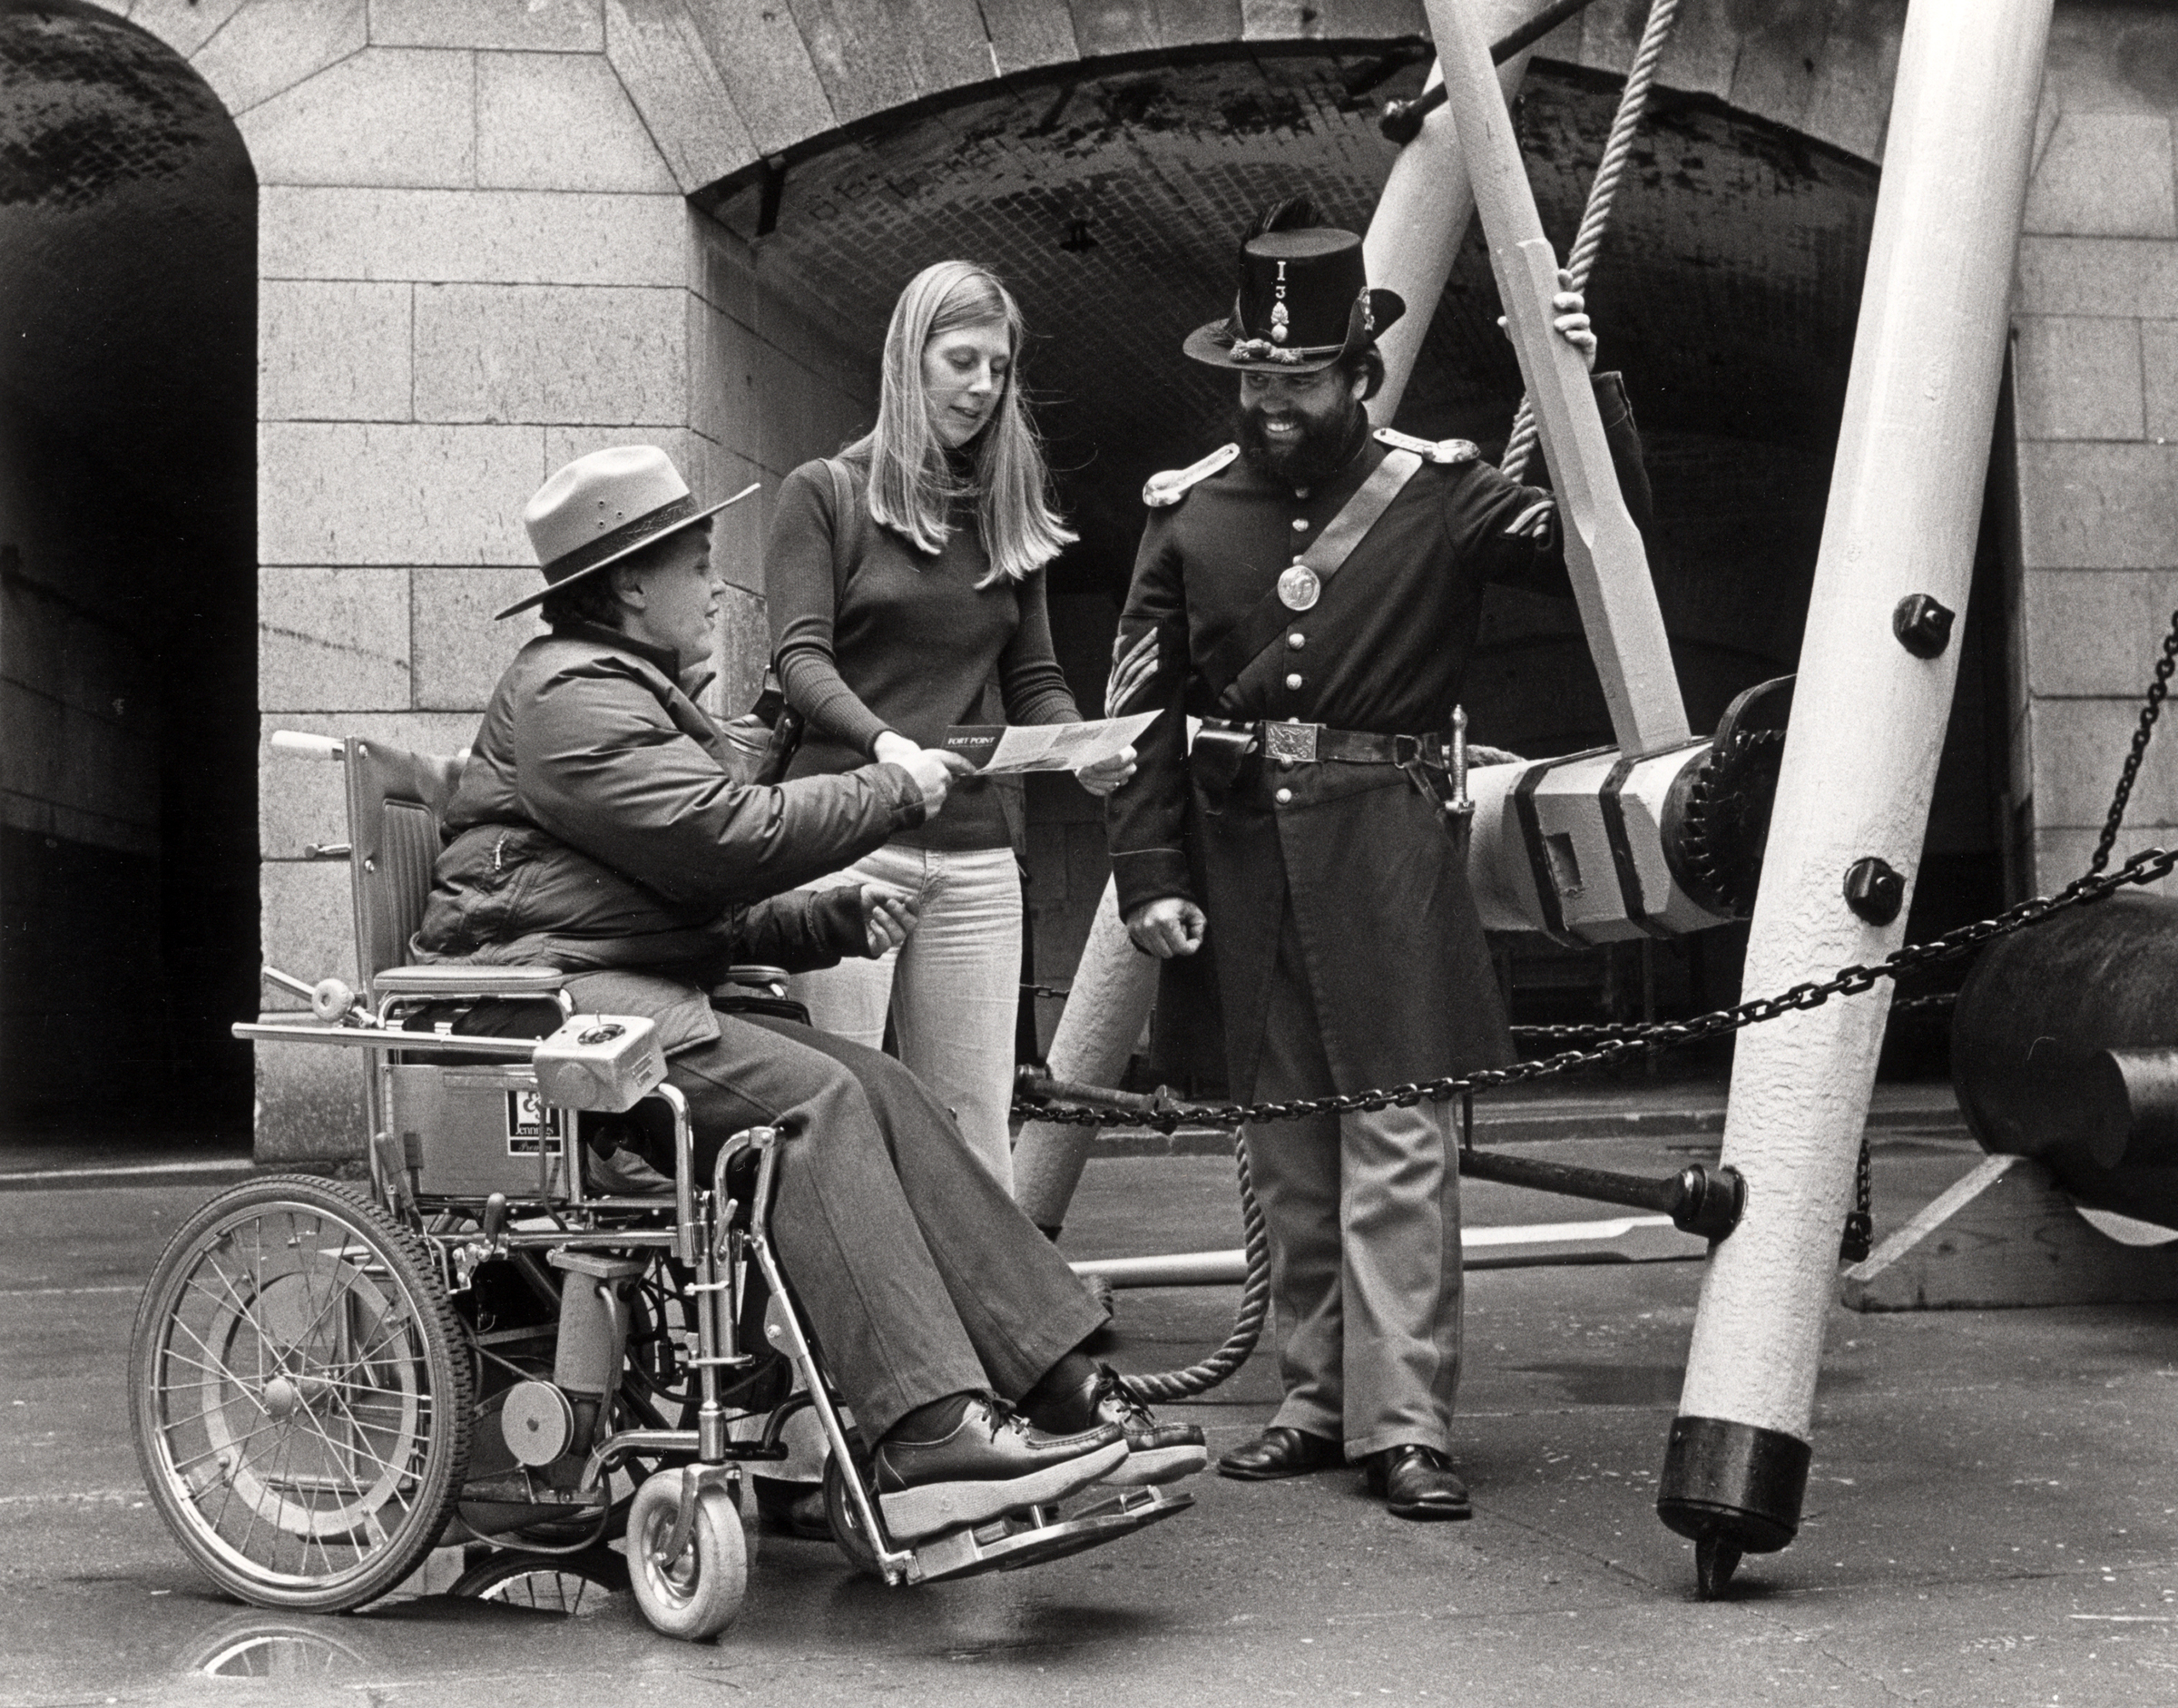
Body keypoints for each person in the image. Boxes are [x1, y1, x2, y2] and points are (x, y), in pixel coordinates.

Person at [414, 444, 1203, 1538]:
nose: (717, 589)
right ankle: (926, 1427)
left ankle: (1056, 1378)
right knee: (813, 1102)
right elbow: (721, 844)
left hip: (611, 980)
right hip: (545, 1003)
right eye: (698, 564)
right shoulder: (570, 698)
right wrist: (890, 786)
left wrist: (828, 917)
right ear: (633, 583)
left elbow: (675, 895)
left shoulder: (619, 694)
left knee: (877, 1084)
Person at [1104, 201, 1654, 1522]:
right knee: (1289, 1143)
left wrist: (1582, 391)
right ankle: (1314, 1397)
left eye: (1297, 380)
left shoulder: (1443, 493)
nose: (1272, 403)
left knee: (1400, 1144)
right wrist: (1151, 874)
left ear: (1361, 373)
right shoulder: (1188, 517)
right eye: (1254, 379)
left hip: (1389, 855)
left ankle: (1405, 1422)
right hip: (1244, 867)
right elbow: (1140, 717)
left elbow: (1604, 534)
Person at [764, 260, 1133, 1194]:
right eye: (961, 360)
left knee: (975, 1128)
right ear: (909, 360)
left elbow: (1035, 678)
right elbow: (801, 663)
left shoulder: (1003, 505)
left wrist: (1080, 747)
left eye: (999, 367)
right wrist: (887, 749)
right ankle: (813, 1328)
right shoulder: (823, 493)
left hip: (973, 855)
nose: (982, 386)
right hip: (844, 837)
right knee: (829, 1111)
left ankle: (988, 1339)